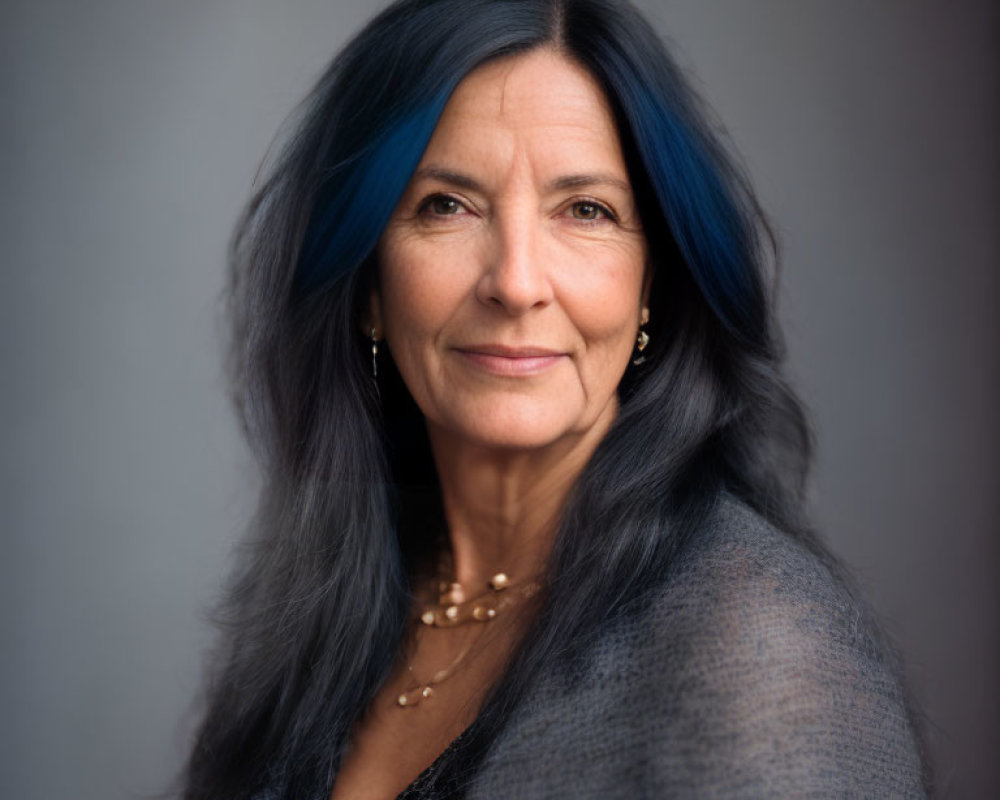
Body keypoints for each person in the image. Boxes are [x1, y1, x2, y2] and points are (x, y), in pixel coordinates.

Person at [182, 1, 929, 797]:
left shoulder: (761, 653)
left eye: (586, 211)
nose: (515, 281)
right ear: (368, 284)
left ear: (654, 290)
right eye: (447, 205)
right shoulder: (327, 612)